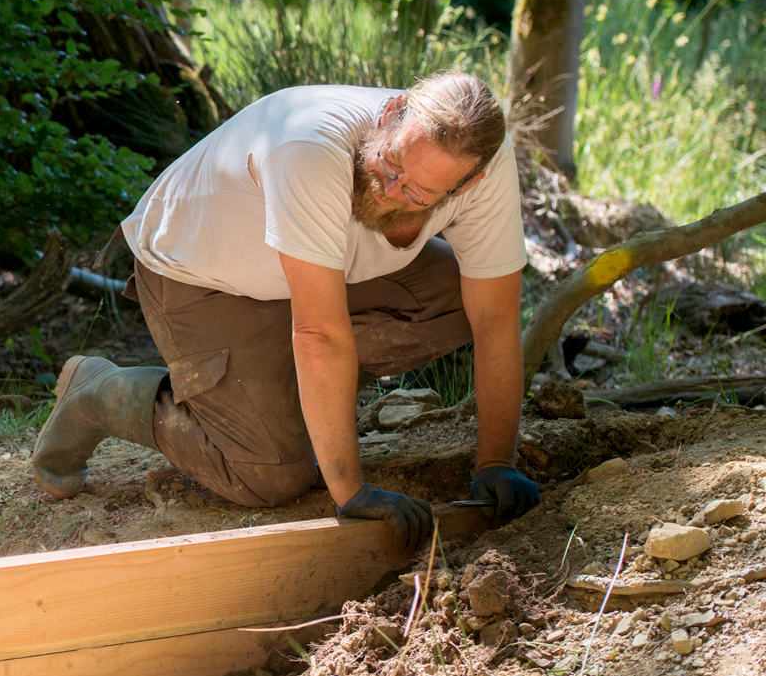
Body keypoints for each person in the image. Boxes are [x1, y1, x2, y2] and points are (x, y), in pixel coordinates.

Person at [32, 73, 542, 546]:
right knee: (270, 474)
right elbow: (319, 332)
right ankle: (101, 391)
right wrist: (351, 494)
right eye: (390, 163)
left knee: (459, 301)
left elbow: (495, 318)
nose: (390, 189)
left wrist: (497, 462)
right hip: (200, 276)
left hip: (319, 274)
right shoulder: (310, 149)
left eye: (418, 192)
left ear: (467, 184)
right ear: (394, 111)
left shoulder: (486, 169)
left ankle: (284, 395)